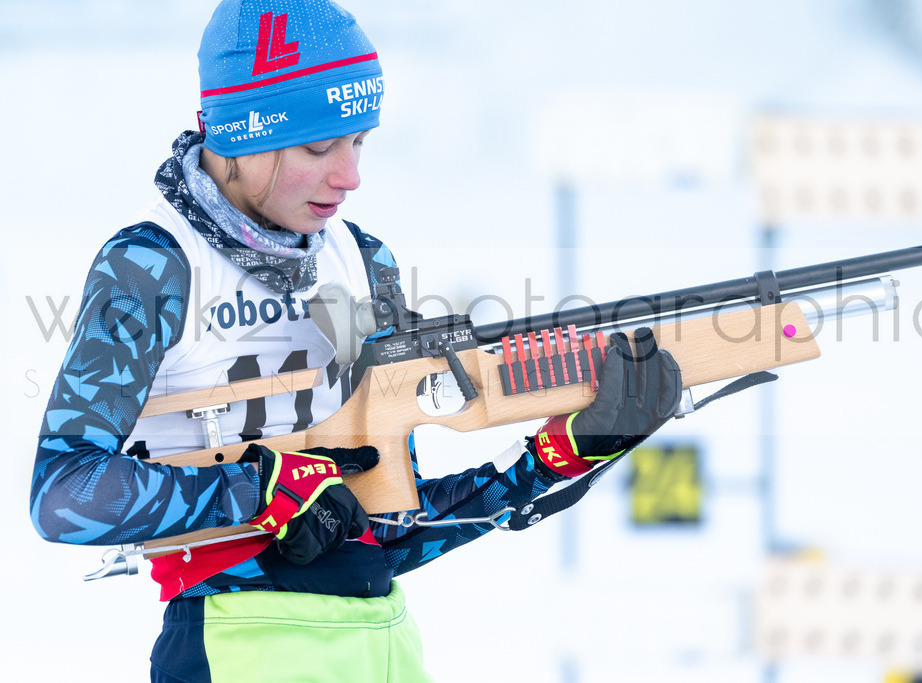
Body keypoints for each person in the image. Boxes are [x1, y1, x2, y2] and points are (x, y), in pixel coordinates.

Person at [28, 1, 682, 681]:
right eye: (319, 146)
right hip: (237, 647)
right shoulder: (156, 264)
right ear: (242, 133)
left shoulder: (360, 263)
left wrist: (554, 460)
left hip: (383, 647)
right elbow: (64, 493)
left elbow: (395, 528)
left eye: (359, 141)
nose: (350, 175)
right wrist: (257, 492)